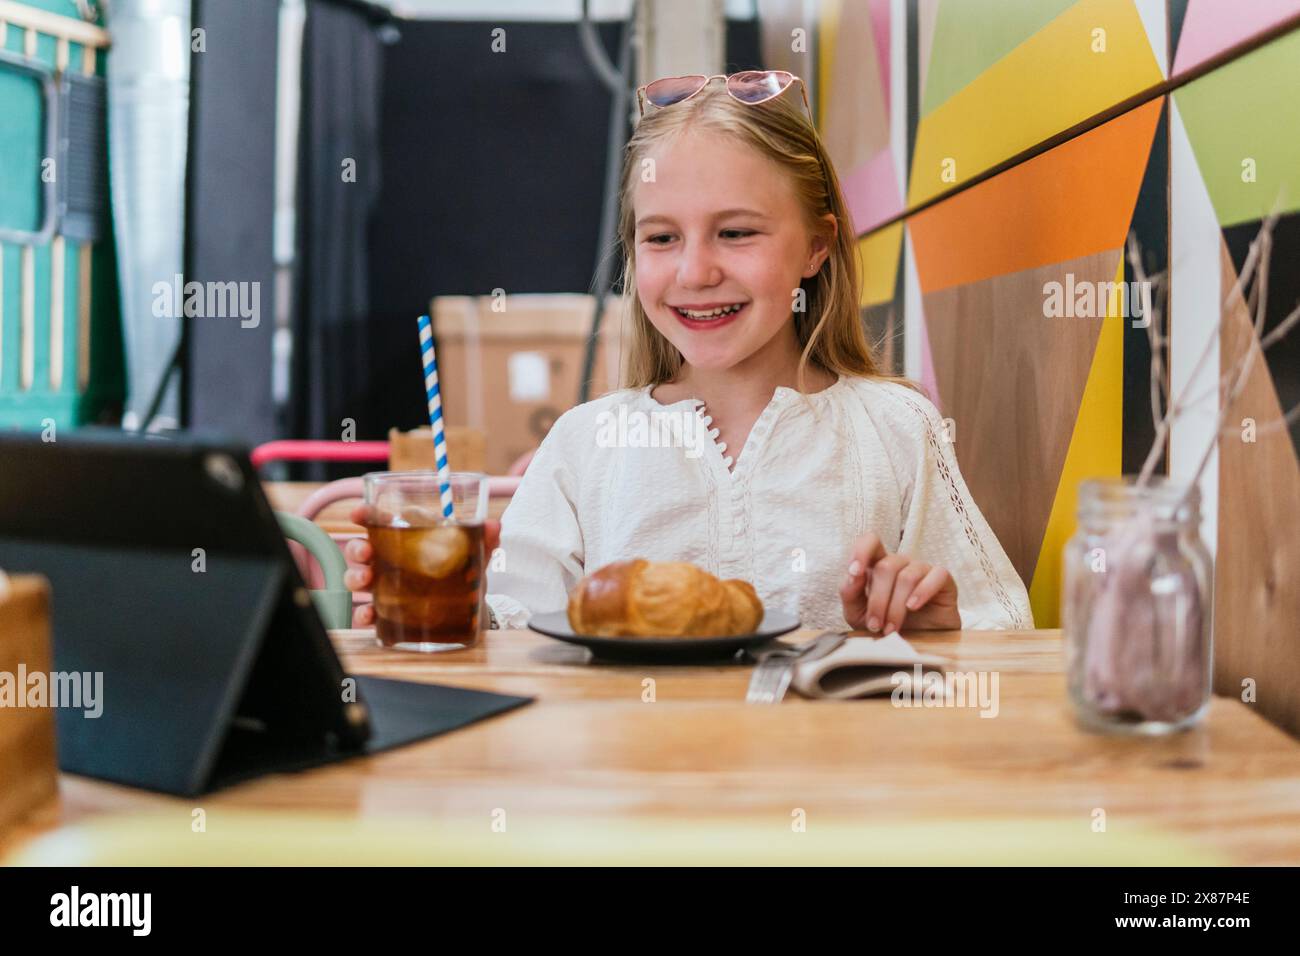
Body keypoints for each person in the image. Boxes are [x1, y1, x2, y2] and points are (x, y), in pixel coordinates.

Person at [346, 71, 1033, 634]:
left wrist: (942, 629)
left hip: (830, 793)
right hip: (634, 795)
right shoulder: (583, 445)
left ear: (817, 246)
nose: (695, 272)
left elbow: (1004, 634)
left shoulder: (896, 430)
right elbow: (515, 640)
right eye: (662, 238)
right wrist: (442, 607)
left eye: (736, 233)